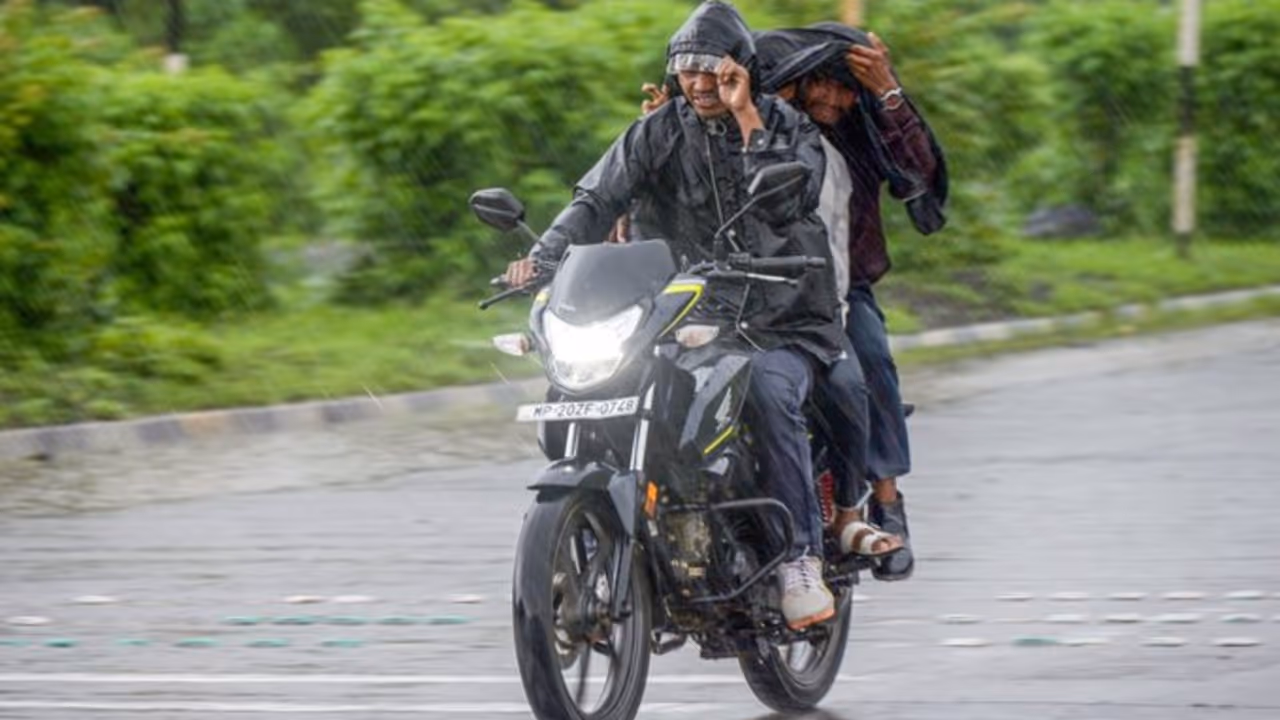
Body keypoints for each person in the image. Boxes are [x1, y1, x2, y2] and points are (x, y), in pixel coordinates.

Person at [504, 1, 871, 630]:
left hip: (778, 314)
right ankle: (592, 541)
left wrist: (747, 112)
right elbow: (598, 197)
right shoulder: (657, 130)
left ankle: (797, 560)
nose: (700, 81)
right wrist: (542, 258)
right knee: (586, 387)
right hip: (675, 310)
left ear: (743, 68)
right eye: (687, 67)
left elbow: (791, 202)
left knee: (766, 391)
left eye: (714, 67)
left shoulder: (787, 127)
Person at [751, 22, 950, 581]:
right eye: (827, 85)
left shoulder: (862, 126)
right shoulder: (754, 121)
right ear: (795, 81)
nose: (837, 99)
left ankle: (885, 501)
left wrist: (886, 90)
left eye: (848, 89)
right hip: (747, 287)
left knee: (871, 362)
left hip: (839, 287)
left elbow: (919, 170)